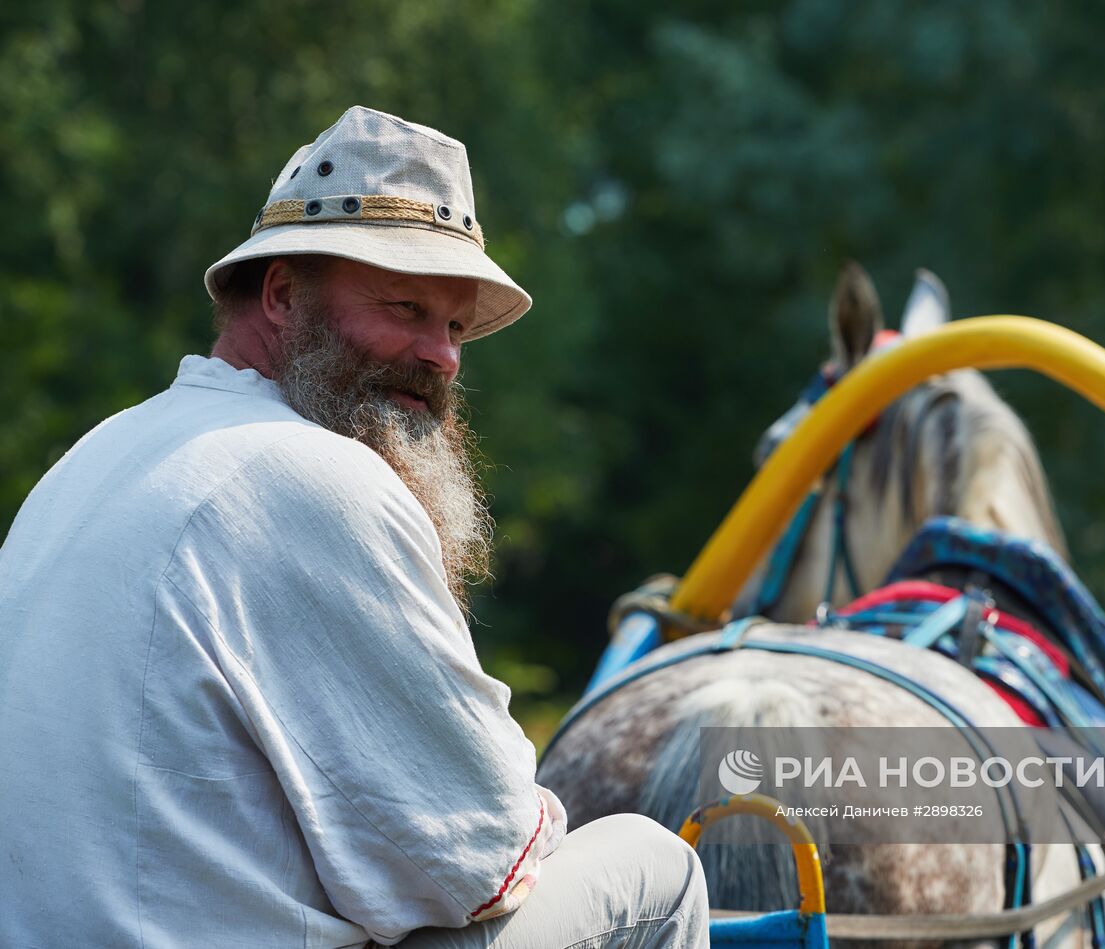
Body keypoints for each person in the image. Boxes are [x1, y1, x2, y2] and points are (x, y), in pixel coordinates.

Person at [0, 106, 708, 948]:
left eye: (453, 326)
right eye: (405, 305)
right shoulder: (310, 476)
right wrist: (533, 803)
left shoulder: (100, 449)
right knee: (655, 864)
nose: (442, 355)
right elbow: (481, 859)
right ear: (282, 294)